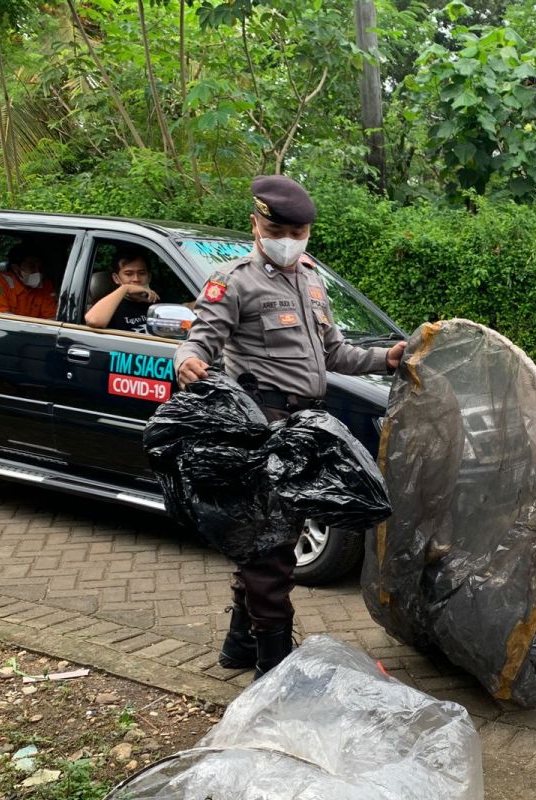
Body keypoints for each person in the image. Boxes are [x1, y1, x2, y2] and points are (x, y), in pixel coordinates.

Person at [174, 175, 406, 678]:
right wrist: (187, 359)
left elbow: (334, 354)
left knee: (273, 538)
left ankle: (239, 646)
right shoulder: (234, 279)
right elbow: (202, 339)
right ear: (256, 224)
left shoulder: (310, 279)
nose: (290, 239)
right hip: (260, 426)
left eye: (299, 232)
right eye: (280, 229)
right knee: (273, 547)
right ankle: (272, 667)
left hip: (303, 427)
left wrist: (386, 358)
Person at [85, 248, 160, 333]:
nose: (136, 279)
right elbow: (93, 320)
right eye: (128, 274)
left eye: (142, 273)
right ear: (116, 278)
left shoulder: (159, 303)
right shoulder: (110, 305)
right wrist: (125, 288)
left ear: (149, 277)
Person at [0, 245, 57, 318]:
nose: (37, 272)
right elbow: (1, 319)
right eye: (32, 267)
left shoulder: (45, 284)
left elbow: (51, 318)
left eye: (40, 267)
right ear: (16, 269)